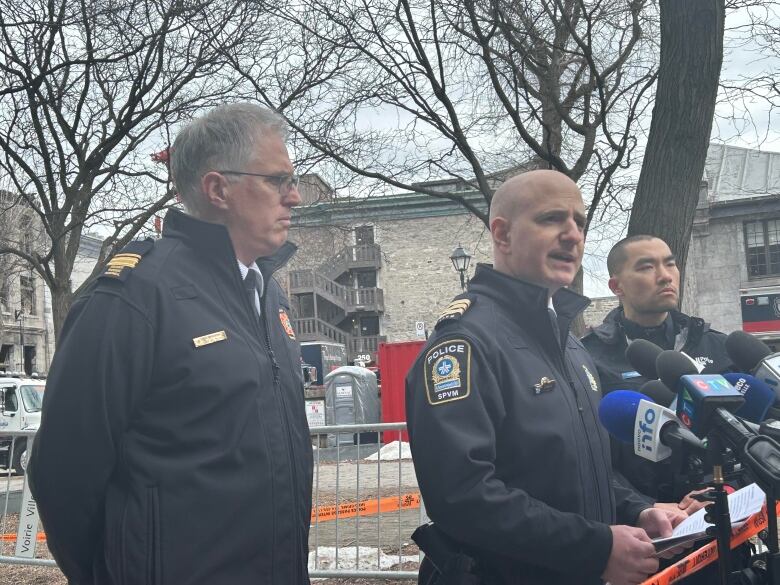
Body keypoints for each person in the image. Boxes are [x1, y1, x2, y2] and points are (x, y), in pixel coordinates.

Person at [28, 103, 313, 585]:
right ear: (218, 189)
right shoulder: (135, 298)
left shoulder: (268, 297)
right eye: (278, 181)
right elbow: (63, 474)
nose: (296, 197)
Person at [406, 170, 682, 585]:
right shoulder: (466, 343)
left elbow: (586, 468)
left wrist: (639, 510)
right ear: (502, 235)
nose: (573, 235)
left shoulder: (570, 346)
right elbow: (462, 495)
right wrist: (594, 547)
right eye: (552, 219)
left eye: (580, 222)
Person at [581, 235, 732, 502]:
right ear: (617, 286)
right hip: (642, 528)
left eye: (670, 264)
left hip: (724, 513)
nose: (665, 276)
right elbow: (589, 456)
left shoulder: (717, 345)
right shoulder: (587, 356)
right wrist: (646, 510)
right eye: (646, 267)